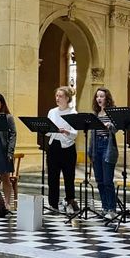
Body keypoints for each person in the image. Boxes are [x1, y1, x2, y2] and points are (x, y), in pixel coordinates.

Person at [46, 86, 79, 214]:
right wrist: (48, 129)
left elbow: (75, 134)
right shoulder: (52, 112)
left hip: (68, 147)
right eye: (56, 96)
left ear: (67, 98)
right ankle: (53, 205)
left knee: (69, 177)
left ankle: (70, 202)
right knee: (52, 177)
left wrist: (66, 131)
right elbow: (48, 132)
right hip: (53, 146)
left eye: (60, 96)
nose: (57, 98)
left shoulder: (73, 113)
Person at [89, 87, 119, 220]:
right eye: (97, 96)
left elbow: (116, 128)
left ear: (107, 98)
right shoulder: (95, 114)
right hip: (96, 146)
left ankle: (112, 208)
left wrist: (110, 126)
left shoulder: (112, 112)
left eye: (101, 96)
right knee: (99, 180)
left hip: (108, 145)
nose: (99, 99)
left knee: (108, 180)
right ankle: (105, 207)